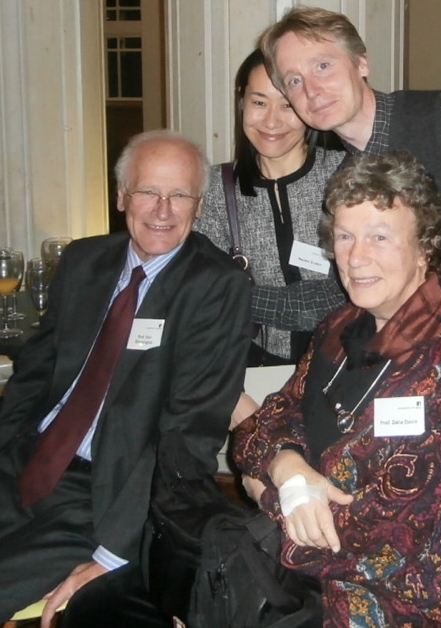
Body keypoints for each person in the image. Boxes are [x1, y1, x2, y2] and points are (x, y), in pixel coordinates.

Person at [232, 151, 441, 626]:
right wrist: (287, 466)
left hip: (400, 611)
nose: (357, 258)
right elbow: (268, 420)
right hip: (301, 598)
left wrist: (265, 492)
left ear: (425, 248)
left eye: (380, 237)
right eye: (344, 236)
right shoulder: (340, 327)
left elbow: (390, 539)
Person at [0, 130, 252, 626]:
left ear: (198, 206)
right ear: (121, 197)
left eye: (179, 195)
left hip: (104, 497)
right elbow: (35, 373)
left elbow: (189, 433)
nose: (163, 210)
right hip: (25, 463)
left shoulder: (216, 286)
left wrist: (114, 551)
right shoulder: (84, 260)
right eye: (147, 192)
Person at [257, 5, 441, 391]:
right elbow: (341, 292)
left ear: (361, 62)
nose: (311, 89)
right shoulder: (344, 180)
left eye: (322, 66)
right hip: (430, 368)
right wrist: (229, 295)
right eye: (293, 80)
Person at [195, 48, 346, 365]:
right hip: (254, 364)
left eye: (288, 105)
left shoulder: (349, 175)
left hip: (347, 360)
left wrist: (243, 298)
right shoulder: (213, 190)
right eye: (259, 102)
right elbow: (202, 295)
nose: (272, 121)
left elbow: (355, 290)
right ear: (241, 101)